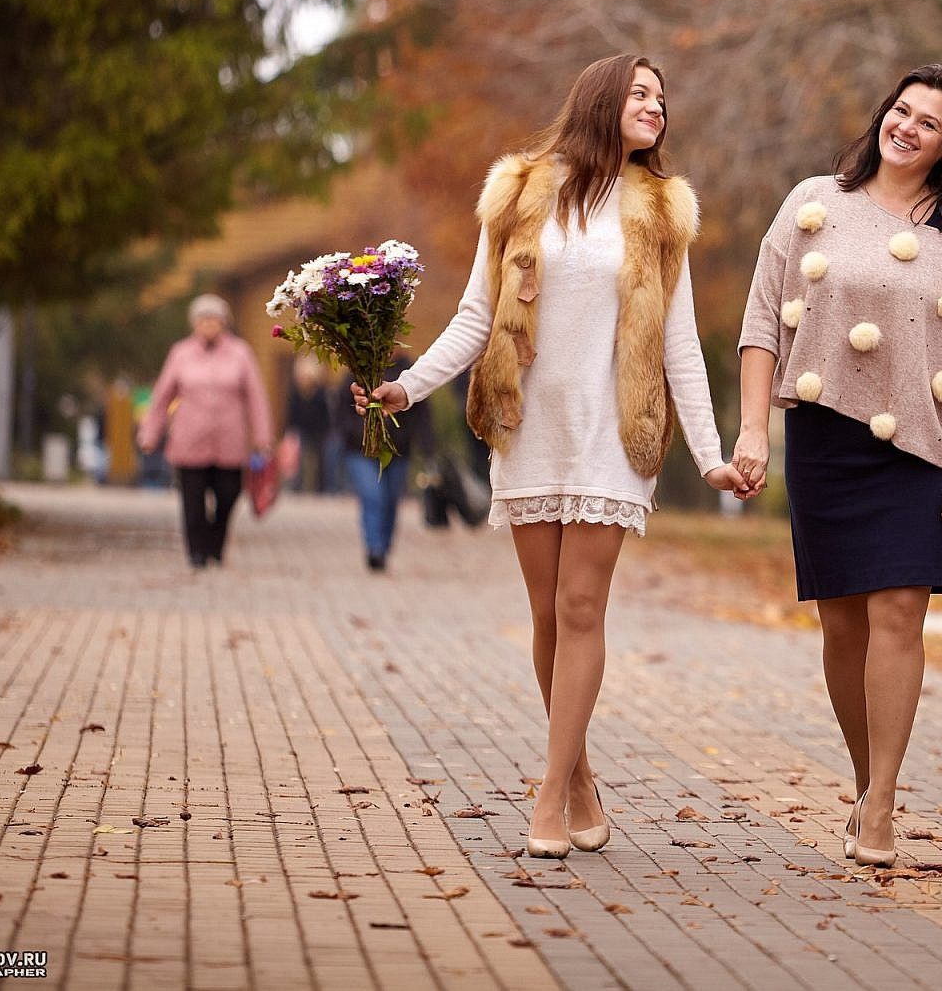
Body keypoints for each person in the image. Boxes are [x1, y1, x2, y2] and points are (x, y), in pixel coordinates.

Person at [355, 54, 750, 859]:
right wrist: (407, 386)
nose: (657, 108)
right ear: (602, 99)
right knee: (544, 615)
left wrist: (710, 455)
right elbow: (475, 315)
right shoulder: (519, 192)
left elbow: (678, 346)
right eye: (642, 94)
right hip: (528, 423)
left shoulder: (661, 213)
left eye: (663, 100)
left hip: (612, 430)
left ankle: (545, 796)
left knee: (579, 610)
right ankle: (579, 779)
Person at [733, 63, 942, 869]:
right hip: (825, 440)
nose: (908, 126)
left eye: (929, 121)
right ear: (882, 115)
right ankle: (864, 783)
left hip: (921, 449)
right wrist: (755, 433)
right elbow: (761, 324)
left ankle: (882, 802)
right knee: (843, 625)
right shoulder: (813, 202)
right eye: (901, 110)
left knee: (899, 612)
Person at [137, 293, 274, 569]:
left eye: (214, 319)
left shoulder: (241, 353)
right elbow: (162, 396)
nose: (209, 325)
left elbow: (256, 397)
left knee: (228, 495)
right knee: (192, 501)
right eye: (203, 320)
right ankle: (196, 553)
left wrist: (262, 437)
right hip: (190, 438)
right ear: (194, 324)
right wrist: (150, 434)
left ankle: (216, 543)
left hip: (230, 440)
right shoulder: (181, 353)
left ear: (224, 322)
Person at [335, 354, 432, 571]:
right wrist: (352, 433)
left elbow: (422, 411)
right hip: (360, 450)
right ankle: (374, 548)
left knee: (391, 500)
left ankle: (384, 546)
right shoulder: (357, 366)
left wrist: (426, 447)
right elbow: (341, 409)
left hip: (398, 449)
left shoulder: (407, 368)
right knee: (373, 496)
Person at [284, 355, 334, 493]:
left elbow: (325, 415)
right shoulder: (295, 393)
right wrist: (290, 431)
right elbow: (291, 414)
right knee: (300, 459)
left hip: (318, 432)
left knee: (319, 459)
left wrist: (326, 430)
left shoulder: (320, 393)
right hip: (301, 430)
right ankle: (298, 486)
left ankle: (318, 487)